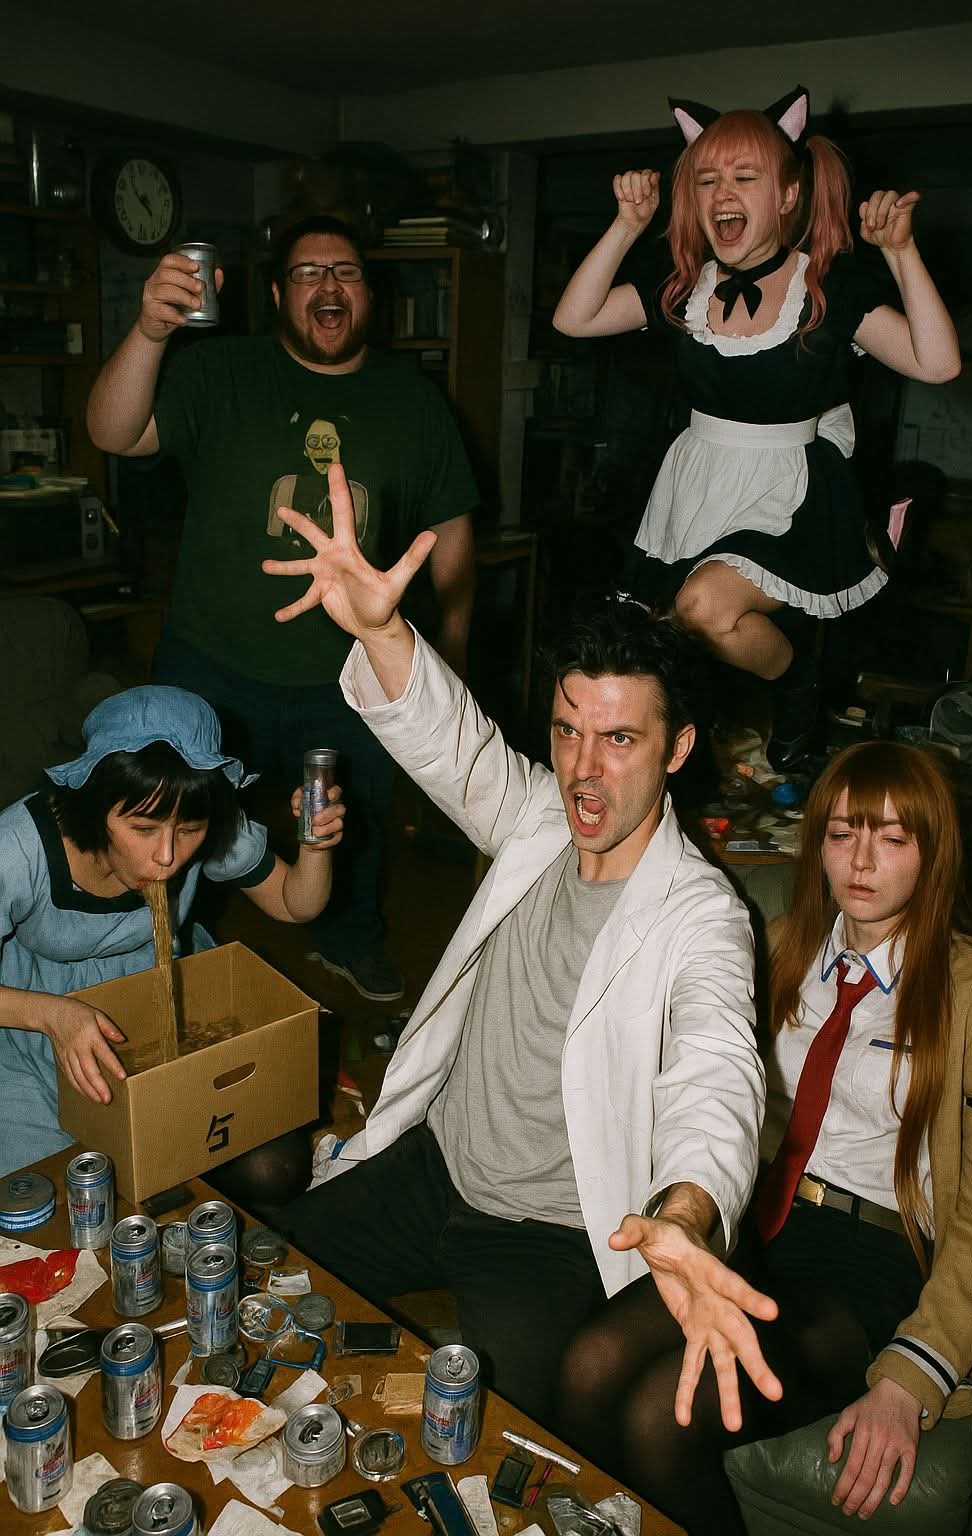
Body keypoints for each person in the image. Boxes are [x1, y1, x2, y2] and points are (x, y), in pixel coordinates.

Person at [268, 458, 778, 1430]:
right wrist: (380, 629)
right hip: (434, 1168)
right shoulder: (539, 815)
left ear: (677, 748)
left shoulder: (702, 915)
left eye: (620, 740)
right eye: (568, 731)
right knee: (264, 1284)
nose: (585, 771)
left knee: (514, 1443)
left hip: (546, 1231)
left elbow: (718, 1077)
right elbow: (450, 740)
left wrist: (685, 1213)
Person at [557, 740, 972, 1533]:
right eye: (842, 834)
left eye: (893, 838)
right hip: (755, 1231)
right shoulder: (777, 947)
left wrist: (910, 1378)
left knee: (660, 1416)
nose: (861, 862)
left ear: (935, 852)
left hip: (870, 1263)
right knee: (586, 1365)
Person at [86, 215, 479, 1002]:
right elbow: (113, 431)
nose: (328, 286)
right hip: (210, 662)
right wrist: (152, 330)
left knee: (354, 822)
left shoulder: (413, 399)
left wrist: (451, 654)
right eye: (307, 273)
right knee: (179, 818)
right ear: (275, 294)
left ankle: (349, 940)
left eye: (346, 272)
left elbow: (451, 531)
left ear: (370, 294)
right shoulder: (220, 369)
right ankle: (170, 949)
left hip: (350, 674)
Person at [552, 86, 960, 766]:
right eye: (707, 179)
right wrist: (625, 225)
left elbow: (938, 364)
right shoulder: (686, 286)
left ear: (789, 195)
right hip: (699, 478)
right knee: (668, 634)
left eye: (745, 177)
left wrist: (900, 253)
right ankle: (725, 733)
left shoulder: (827, 288)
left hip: (787, 489)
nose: (722, 193)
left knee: (703, 609)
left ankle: (799, 683)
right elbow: (574, 319)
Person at [0, 684, 344, 1195]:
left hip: (163, 992)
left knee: (273, 1170)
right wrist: (53, 1015)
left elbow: (295, 904)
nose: (167, 855)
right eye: (142, 828)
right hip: (32, 1019)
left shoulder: (197, 819)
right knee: (55, 1190)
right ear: (93, 805)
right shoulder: (17, 848)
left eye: (189, 830)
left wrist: (316, 846)